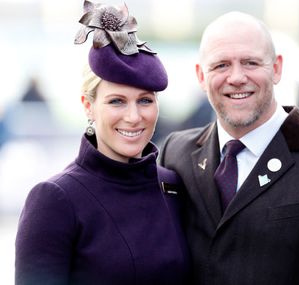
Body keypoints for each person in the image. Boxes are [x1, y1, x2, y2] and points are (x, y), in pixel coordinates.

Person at [160, 11, 299, 285]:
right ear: (200, 75)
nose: (236, 77)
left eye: (250, 62)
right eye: (221, 65)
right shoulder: (175, 154)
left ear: (277, 68)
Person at [15, 1, 190, 284]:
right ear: (88, 106)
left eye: (145, 100)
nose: (133, 117)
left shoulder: (171, 186)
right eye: (117, 101)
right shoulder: (55, 199)